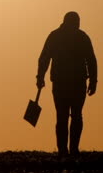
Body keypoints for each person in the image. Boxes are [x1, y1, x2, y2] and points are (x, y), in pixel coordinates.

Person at [36, 11, 98, 157]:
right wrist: (40, 77)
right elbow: (44, 58)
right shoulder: (78, 37)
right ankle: (66, 150)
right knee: (69, 116)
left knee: (69, 116)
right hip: (65, 82)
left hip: (70, 82)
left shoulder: (58, 36)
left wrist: (93, 80)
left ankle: (69, 150)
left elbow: (91, 60)